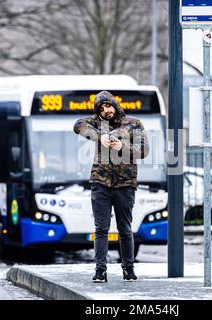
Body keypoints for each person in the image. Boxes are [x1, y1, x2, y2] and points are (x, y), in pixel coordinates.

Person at [73, 90, 149, 283]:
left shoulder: (134, 124)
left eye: (108, 106)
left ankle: (128, 269)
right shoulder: (97, 123)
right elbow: (78, 125)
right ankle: (100, 270)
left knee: (125, 228)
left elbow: (144, 151)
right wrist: (100, 137)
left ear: (115, 105)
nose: (106, 110)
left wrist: (120, 147)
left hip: (125, 183)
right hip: (100, 182)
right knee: (101, 229)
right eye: (101, 108)